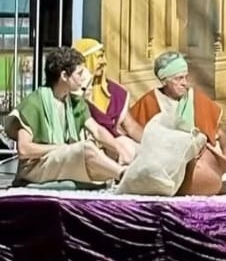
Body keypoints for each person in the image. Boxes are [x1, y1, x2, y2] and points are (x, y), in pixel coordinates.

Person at [5, 47, 137, 186]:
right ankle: (126, 176)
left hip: (62, 160)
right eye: (79, 73)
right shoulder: (34, 103)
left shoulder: (75, 103)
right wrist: (62, 149)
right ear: (64, 76)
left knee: (120, 145)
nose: (83, 78)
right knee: (86, 149)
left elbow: (97, 131)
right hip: (36, 167)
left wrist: (119, 149)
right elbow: (24, 150)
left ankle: (132, 175)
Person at [129, 51, 226, 195]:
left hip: (198, 158)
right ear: (164, 80)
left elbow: (220, 132)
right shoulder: (150, 101)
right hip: (166, 163)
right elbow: (134, 134)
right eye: (178, 78)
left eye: (186, 77)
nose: (185, 83)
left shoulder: (197, 98)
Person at [72, 38, 143, 142]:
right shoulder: (71, 93)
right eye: (99, 57)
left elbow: (131, 127)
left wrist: (152, 144)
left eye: (103, 56)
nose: (104, 62)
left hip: (114, 145)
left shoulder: (116, 92)